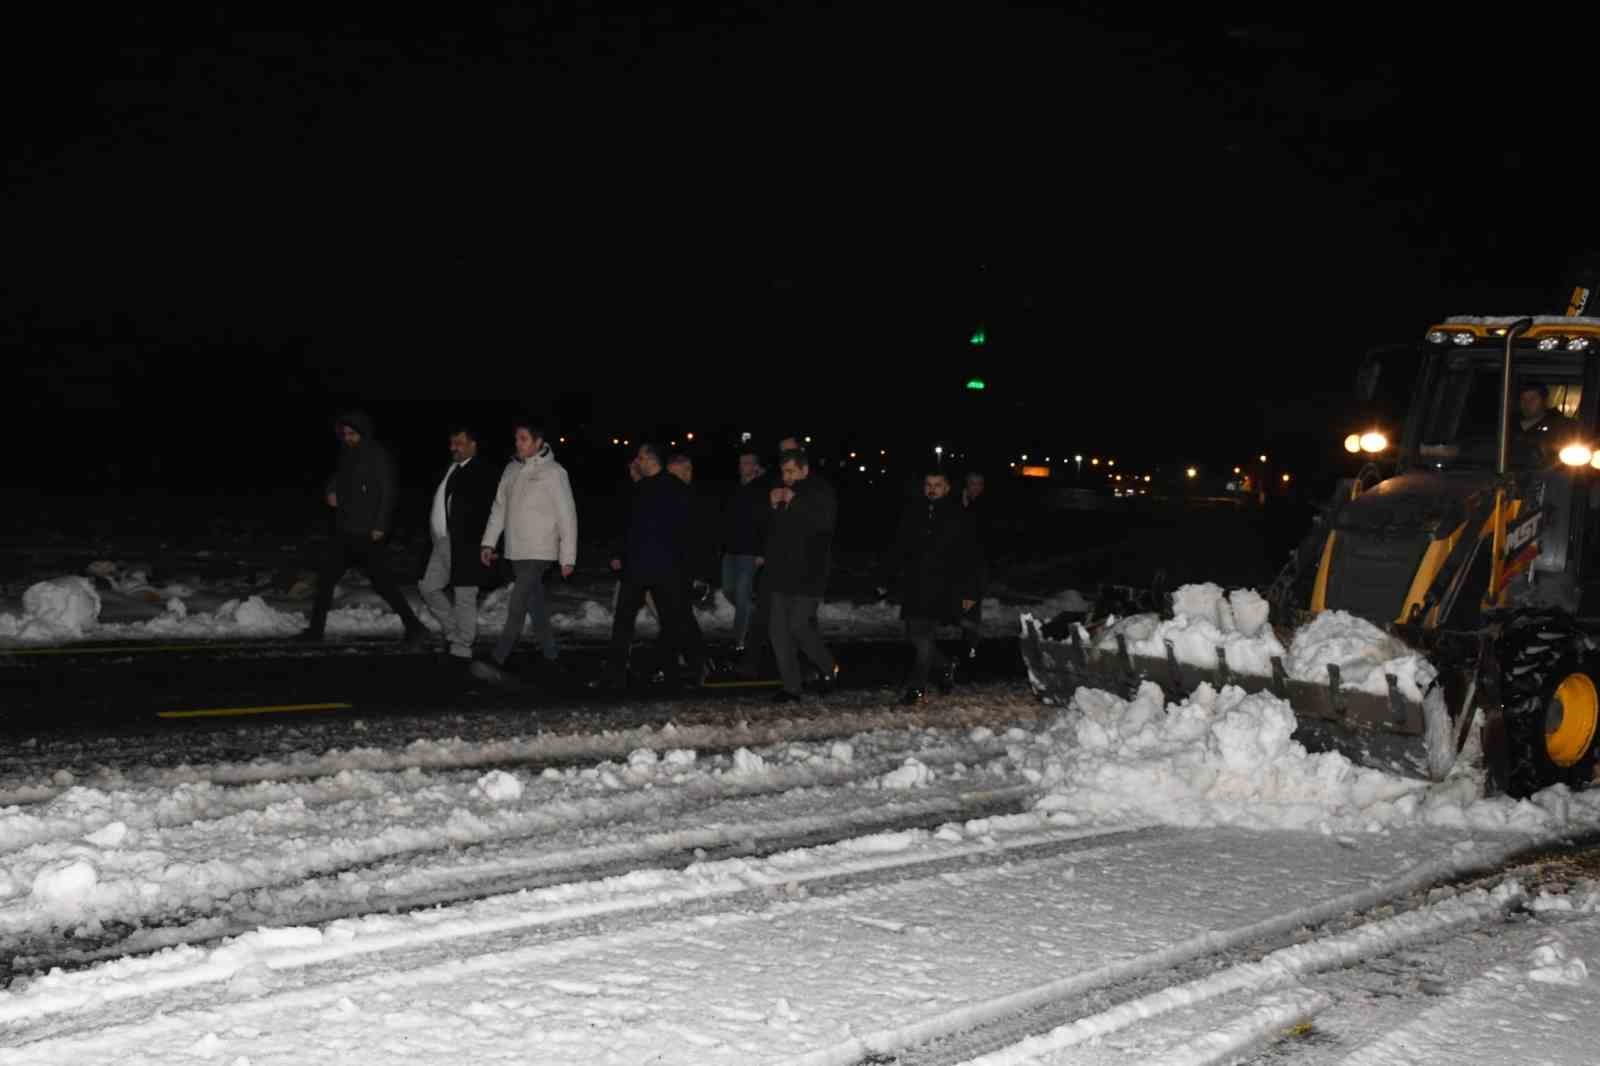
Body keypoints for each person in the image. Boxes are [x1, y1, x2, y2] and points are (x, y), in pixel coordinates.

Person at [302, 411, 428, 645]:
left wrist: (380, 525)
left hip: (367, 532)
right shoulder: (347, 454)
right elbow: (337, 478)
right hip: (345, 529)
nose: (348, 438)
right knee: (327, 579)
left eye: (352, 434)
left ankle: (414, 626)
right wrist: (330, 491)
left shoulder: (376, 454)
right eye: (344, 434)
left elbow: (388, 490)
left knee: (382, 583)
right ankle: (314, 631)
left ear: (362, 432)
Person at [472, 420, 578, 682]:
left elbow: (568, 516)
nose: (518, 444)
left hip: (541, 551)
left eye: (524, 439)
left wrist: (568, 556)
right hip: (515, 550)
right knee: (535, 605)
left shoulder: (554, 472)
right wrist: (488, 543)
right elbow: (499, 510)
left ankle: (498, 659)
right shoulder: (510, 470)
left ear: (538, 442)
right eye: (517, 439)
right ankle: (552, 657)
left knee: (516, 603)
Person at [604, 442, 704, 689]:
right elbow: (630, 526)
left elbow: (630, 526)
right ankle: (664, 670)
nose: (637, 461)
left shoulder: (653, 489)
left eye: (640, 457)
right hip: (656, 568)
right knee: (662, 621)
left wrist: (620, 553)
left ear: (650, 459)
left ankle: (625, 672)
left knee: (634, 621)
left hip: (650, 567)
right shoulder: (663, 489)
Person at [888, 469, 979, 704]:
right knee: (914, 635)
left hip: (942, 587)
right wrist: (886, 578)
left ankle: (916, 689)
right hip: (914, 585)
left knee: (924, 638)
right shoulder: (914, 511)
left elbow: (969, 556)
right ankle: (946, 666)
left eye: (938, 484)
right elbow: (900, 547)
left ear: (947, 488)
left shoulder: (957, 515)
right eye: (928, 484)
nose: (932, 488)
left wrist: (969, 592)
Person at [417, 425, 501, 663]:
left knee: (465, 593)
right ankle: (454, 632)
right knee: (428, 587)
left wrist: (490, 544)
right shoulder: (452, 468)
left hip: (468, 544)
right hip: (441, 541)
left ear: (473, 445)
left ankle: (463, 643)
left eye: (459, 443)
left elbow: (496, 512)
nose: (453, 447)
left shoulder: (483, 472)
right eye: (452, 442)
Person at [761, 449, 839, 702]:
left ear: (805, 470)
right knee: (778, 633)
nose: (787, 476)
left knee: (798, 626)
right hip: (780, 574)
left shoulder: (820, 491)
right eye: (784, 471)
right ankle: (791, 687)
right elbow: (773, 531)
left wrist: (795, 502)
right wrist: (772, 506)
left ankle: (828, 667)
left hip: (809, 574)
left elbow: (823, 526)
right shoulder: (781, 492)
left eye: (792, 471)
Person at [721, 447, 768, 652]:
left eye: (747, 463)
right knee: (728, 590)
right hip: (731, 550)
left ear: (756, 466)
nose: (743, 466)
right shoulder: (735, 488)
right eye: (741, 463)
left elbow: (767, 522)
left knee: (742, 596)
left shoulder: (762, 488)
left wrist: (762, 552)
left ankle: (738, 641)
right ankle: (754, 613)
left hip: (750, 551)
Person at [959, 470, 990, 661]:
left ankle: (971, 645)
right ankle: (969, 642)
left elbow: (977, 533)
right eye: (972, 483)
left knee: (971, 605)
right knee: (965, 606)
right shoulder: (961, 505)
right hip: (962, 566)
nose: (975, 487)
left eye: (979, 484)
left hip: (976, 567)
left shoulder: (982, 507)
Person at [1516, 382, 1581, 463]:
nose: (1527, 403)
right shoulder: (1507, 425)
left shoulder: (1561, 427)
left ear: (1544, 401)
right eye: (1523, 399)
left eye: (1533, 398)